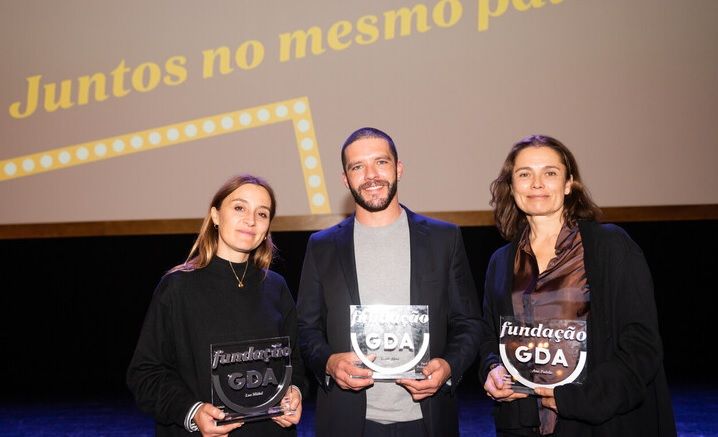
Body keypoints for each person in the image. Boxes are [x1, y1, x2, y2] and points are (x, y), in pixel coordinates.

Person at [478, 135, 676, 436]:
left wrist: (580, 399)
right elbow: (490, 337)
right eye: (524, 174)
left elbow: (641, 344)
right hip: (524, 423)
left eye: (550, 173)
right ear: (511, 186)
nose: (537, 183)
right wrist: (492, 369)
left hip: (599, 422)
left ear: (569, 184)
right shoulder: (500, 261)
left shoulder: (611, 247)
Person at [297, 127, 482, 437]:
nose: (371, 175)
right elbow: (305, 328)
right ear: (346, 179)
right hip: (348, 422)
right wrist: (329, 363)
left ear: (399, 168)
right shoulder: (322, 246)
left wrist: (448, 367)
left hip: (427, 420)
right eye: (358, 166)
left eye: (381, 162)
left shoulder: (443, 239)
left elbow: (469, 323)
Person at [127, 174, 304, 436]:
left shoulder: (275, 286)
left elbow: (295, 362)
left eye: (262, 213)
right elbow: (144, 373)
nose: (251, 220)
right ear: (216, 216)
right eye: (239, 207)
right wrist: (192, 411)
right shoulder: (177, 287)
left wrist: (295, 392)